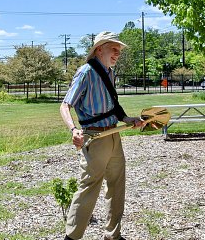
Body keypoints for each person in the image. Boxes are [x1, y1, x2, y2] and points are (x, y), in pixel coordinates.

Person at [60, 31, 143, 240]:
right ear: (99, 49)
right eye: (113, 48)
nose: (118, 53)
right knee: (89, 188)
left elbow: (113, 106)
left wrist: (127, 119)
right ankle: (72, 237)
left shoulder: (110, 73)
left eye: (119, 50)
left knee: (117, 186)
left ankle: (113, 235)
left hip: (114, 135)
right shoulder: (86, 72)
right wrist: (73, 129)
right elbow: (65, 105)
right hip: (94, 139)